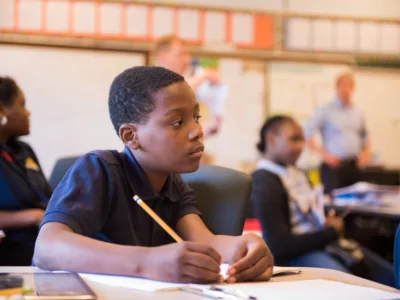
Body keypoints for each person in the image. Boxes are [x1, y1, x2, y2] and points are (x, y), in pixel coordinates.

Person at [33, 66, 273, 284]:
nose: (197, 131)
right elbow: (47, 247)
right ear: (130, 136)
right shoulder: (99, 170)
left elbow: (204, 241)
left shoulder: (172, 182)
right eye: (178, 122)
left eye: (196, 118)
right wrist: (147, 262)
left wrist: (245, 247)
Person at [250, 115, 394, 286]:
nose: (300, 147)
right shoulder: (265, 181)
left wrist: (326, 223)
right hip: (297, 254)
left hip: (321, 243)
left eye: (302, 140)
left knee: (391, 276)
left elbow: (310, 215)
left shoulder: (296, 173)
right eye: (293, 139)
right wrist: (330, 232)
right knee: (351, 287)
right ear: (271, 139)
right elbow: (279, 246)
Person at [0, 77, 51, 266]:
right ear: (2, 110)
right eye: (22, 105)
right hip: (13, 253)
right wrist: (32, 217)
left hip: (47, 241)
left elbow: (47, 195)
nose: (28, 112)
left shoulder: (23, 150)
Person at [304, 73, 370, 194]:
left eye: (349, 86)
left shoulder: (358, 112)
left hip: (353, 166)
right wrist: (324, 155)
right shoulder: (325, 110)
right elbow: (306, 133)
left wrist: (366, 152)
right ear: (337, 88)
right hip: (333, 166)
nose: (346, 90)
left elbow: (365, 135)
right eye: (343, 86)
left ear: (353, 89)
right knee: (334, 204)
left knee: (355, 203)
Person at [153, 35, 223, 138]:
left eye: (187, 55)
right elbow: (175, 93)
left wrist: (205, 130)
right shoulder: (152, 82)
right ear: (163, 57)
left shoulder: (181, 85)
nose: (187, 60)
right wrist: (204, 75)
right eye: (181, 54)